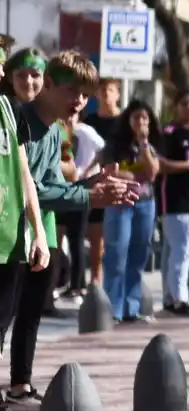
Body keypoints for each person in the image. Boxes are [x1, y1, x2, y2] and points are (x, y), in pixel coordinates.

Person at [5, 53, 134, 403]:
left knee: (24, 314)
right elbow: (27, 186)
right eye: (71, 90)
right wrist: (89, 195)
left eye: (85, 93)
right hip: (8, 238)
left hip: (27, 238)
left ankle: (18, 386)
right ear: (47, 85)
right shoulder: (18, 121)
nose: (79, 99)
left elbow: (46, 189)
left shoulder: (52, 130)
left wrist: (91, 188)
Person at [0, 49, 54, 411]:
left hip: (9, 240)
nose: (1, 71)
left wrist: (37, 231)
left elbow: (25, 175)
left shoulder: (8, 109)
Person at [97, 101, 162, 324]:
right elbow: (110, 173)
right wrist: (136, 176)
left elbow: (153, 173)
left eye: (145, 119)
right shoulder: (115, 145)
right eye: (136, 118)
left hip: (145, 203)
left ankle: (131, 308)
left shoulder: (150, 146)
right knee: (116, 253)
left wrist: (143, 145)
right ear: (128, 120)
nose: (141, 123)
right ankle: (112, 308)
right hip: (120, 203)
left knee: (138, 254)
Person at [158, 93, 189, 315]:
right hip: (174, 199)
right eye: (184, 103)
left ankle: (170, 296)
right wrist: (188, 165)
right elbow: (161, 163)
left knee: (188, 251)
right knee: (181, 249)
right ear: (176, 107)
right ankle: (179, 297)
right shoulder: (169, 134)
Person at [57, 110, 103, 300]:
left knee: (76, 239)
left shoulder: (84, 131)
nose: (68, 118)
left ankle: (78, 285)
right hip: (60, 190)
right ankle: (60, 279)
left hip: (81, 189)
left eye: (72, 115)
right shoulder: (56, 129)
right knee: (57, 240)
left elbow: (103, 150)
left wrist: (88, 171)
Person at [83, 77, 122, 289]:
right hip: (96, 181)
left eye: (111, 90)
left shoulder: (124, 121)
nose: (106, 95)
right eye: (102, 91)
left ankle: (114, 283)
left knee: (117, 241)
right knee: (96, 237)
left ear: (118, 94)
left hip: (120, 181)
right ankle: (95, 280)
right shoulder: (90, 121)